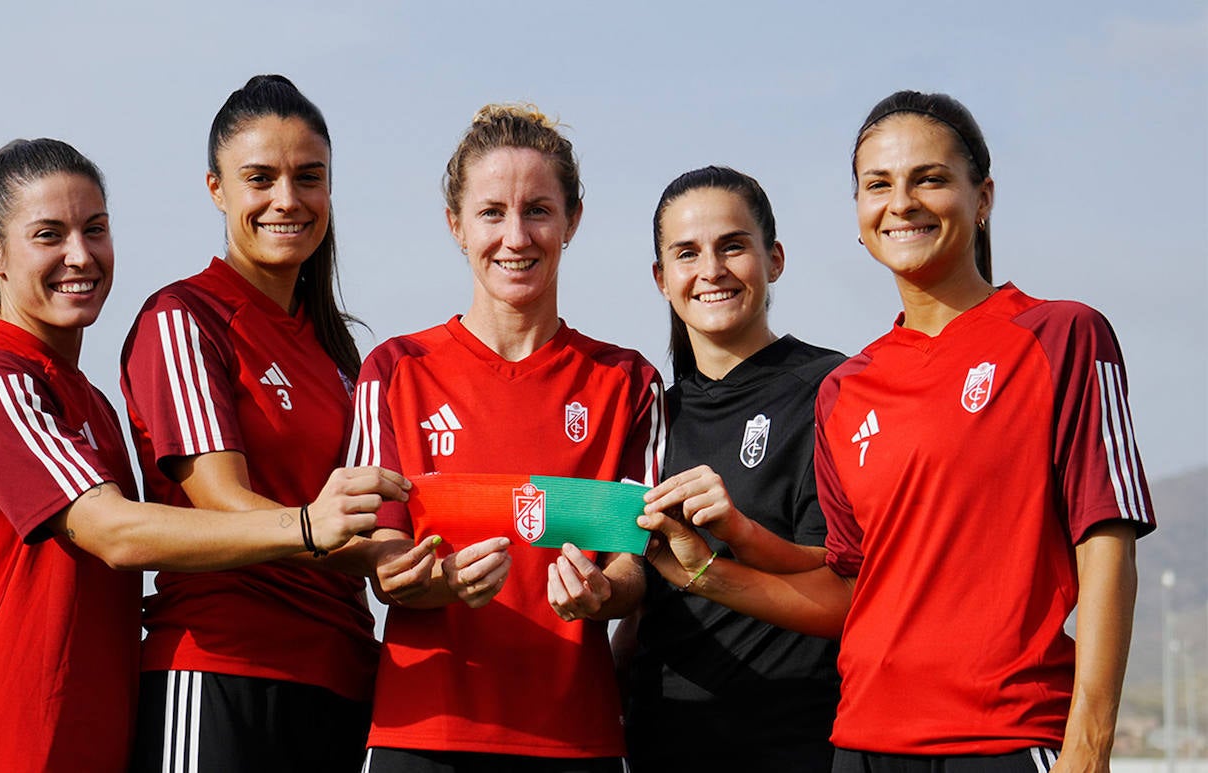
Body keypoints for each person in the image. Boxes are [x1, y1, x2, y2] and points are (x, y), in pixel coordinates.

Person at [640, 91, 1156, 773]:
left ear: (984, 197)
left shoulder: (1060, 335)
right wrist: (705, 568)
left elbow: (1107, 545)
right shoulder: (848, 388)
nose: (902, 202)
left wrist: (1088, 747)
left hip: (1002, 737)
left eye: (930, 179)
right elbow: (848, 590)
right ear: (859, 213)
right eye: (878, 185)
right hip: (862, 743)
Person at [0, 138, 406, 772]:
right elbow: (114, 532)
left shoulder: (89, 403)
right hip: (0, 751)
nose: (79, 255)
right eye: (48, 235)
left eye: (95, 229)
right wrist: (307, 524)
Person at [345, 103, 665, 772]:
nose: (515, 236)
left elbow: (638, 560)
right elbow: (381, 561)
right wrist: (435, 580)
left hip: (575, 740)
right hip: (423, 736)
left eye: (538, 210)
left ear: (573, 219)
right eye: (492, 212)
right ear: (455, 224)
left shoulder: (628, 381)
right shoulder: (396, 371)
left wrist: (603, 593)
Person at [120, 75, 406, 772]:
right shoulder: (186, 319)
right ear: (217, 189)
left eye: (309, 177)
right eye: (260, 178)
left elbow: (370, 522)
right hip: (221, 666)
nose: (288, 199)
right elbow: (223, 502)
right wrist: (358, 545)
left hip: (341, 675)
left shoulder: (343, 355)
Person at [618, 166, 844, 772]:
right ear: (661, 279)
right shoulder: (649, 414)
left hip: (794, 741)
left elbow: (840, 583)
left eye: (733, 246)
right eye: (687, 253)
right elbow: (643, 601)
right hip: (661, 740)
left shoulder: (832, 389)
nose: (711, 270)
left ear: (774, 259)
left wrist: (732, 540)